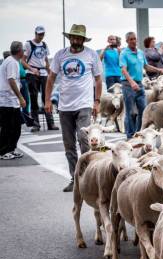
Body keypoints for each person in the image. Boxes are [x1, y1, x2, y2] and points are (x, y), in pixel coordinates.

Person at [44, 24, 102, 191]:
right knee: (69, 144)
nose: (76, 40)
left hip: (84, 104)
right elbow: (51, 78)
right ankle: (75, 178)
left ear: (83, 39)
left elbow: (98, 79)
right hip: (64, 106)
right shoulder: (60, 55)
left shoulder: (91, 55)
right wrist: (47, 100)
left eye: (79, 38)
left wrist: (97, 101)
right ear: (69, 38)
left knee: (84, 140)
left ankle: (87, 176)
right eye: (73, 37)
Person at [119, 31, 163, 140]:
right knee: (130, 112)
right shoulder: (124, 54)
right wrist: (131, 82)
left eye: (135, 39)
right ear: (127, 41)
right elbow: (123, 70)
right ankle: (130, 136)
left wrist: (159, 70)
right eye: (131, 39)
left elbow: (146, 66)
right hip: (128, 85)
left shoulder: (140, 52)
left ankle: (139, 133)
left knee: (143, 110)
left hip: (140, 84)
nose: (134, 41)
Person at [22, 26, 57, 131]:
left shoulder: (44, 45)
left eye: (42, 34)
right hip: (32, 73)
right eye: (39, 34)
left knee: (46, 97)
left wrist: (50, 72)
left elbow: (46, 61)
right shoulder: (28, 44)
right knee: (33, 98)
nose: (41, 36)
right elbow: (23, 61)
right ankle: (36, 124)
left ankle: (51, 123)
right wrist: (32, 69)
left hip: (43, 73)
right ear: (35, 33)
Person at [0, 42, 27, 160]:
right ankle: (3, 151)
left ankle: (11, 148)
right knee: (8, 127)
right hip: (7, 101)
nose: (24, 52)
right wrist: (20, 97)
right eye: (23, 50)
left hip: (11, 100)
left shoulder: (13, 61)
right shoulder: (12, 62)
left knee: (16, 126)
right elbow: (11, 80)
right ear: (20, 51)